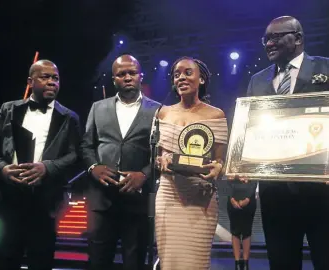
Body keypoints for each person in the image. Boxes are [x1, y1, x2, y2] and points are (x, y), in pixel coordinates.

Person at [247, 16, 329, 270]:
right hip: (276, 195)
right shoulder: (257, 81)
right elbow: (249, 131)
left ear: (298, 38)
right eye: (266, 39)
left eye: (276, 37)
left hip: (322, 194)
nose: (269, 43)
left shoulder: (325, 69)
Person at [0, 60, 81, 270]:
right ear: (30, 81)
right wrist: (2, 168)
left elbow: (75, 156)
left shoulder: (69, 117)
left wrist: (47, 167)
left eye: (55, 78)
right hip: (8, 198)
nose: (52, 82)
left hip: (45, 201)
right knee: (5, 260)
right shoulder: (9, 109)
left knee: (41, 261)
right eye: (45, 77)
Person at [80, 54, 160, 270]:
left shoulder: (158, 110)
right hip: (101, 199)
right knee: (97, 261)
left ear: (140, 76)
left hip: (138, 201)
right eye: (121, 74)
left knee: (133, 263)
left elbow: (161, 153)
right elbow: (86, 145)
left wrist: (144, 174)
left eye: (132, 73)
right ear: (114, 79)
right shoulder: (98, 107)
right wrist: (93, 168)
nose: (127, 77)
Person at [155, 56, 228, 269]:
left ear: (202, 79)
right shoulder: (163, 112)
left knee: (195, 262)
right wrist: (162, 161)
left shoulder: (216, 115)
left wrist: (218, 168)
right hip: (169, 195)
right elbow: (158, 157)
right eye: (176, 74)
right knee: (170, 262)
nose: (181, 78)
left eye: (188, 72)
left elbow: (219, 160)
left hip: (200, 196)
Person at [227, 181, 257, 270]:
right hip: (232, 199)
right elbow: (228, 180)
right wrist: (232, 199)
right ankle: (237, 264)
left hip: (249, 200)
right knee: (235, 231)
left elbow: (254, 181)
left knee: (247, 232)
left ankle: (245, 264)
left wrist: (247, 199)